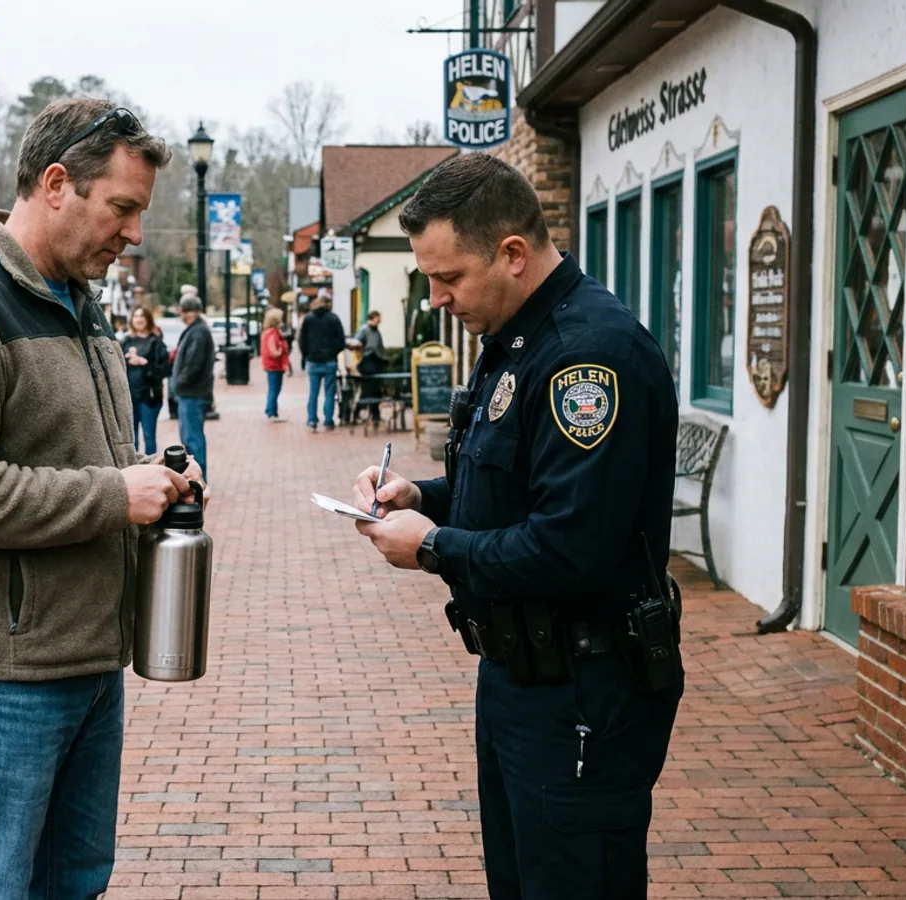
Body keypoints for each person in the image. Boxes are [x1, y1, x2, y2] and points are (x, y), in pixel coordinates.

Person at [0, 97, 202, 900]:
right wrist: (111, 494)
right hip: (0, 675)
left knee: (74, 882)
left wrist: (151, 475)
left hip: (88, 656)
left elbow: (81, 455)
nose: (134, 234)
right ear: (56, 184)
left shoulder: (80, 304)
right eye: (123, 208)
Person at [350, 153, 682, 899]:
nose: (436, 298)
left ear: (512, 253)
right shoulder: (520, 339)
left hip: (583, 688)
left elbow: (573, 547)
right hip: (522, 677)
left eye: (449, 277)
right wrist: (423, 499)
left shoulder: (587, 358)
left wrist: (434, 549)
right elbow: (514, 486)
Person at [172, 294, 214, 479]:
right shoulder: (197, 330)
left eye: (186, 311)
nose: (183, 315)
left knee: (192, 439)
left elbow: (193, 364)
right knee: (190, 438)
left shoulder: (198, 332)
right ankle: (198, 477)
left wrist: (180, 381)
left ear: (194, 312)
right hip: (191, 393)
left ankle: (200, 478)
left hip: (192, 393)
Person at [298, 289, 347, 432]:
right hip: (329, 361)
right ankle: (328, 420)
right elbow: (341, 340)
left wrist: (306, 354)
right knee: (329, 392)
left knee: (313, 392)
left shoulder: (308, 319)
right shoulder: (333, 318)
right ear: (328, 304)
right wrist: (334, 352)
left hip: (313, 360)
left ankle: (312, 419)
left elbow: (302, 340)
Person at [122, 306, 169, 454]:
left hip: (149, 397)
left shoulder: (156, 343)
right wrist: (126, 361)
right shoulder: (125, 342)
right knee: (130, 438)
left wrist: (145, 363)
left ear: (148, 319)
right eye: (136, 316)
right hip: (128, 397)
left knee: (149, 436)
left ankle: (151, 468)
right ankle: (134, 470)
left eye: (142, 316)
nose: (139, 319)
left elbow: (165, 370)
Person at [350, 310, 389, 424]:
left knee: (375, 390)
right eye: (378, 317)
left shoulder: (376, 330)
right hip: (368, 362)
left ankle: (375, 415)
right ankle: (359, 412)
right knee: (368, 389)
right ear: (373, 318)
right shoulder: (365, 329)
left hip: (376, 362)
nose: (380, 320)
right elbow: (356, 342)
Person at [260, 306, 292, 421]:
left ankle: (273, 410)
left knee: (274, 388)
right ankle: (271, 412)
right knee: (274, 389)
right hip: (274, 366)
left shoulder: (267, 333)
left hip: (272, 365)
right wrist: (281, 350)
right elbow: (273, 351)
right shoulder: (272, 334)